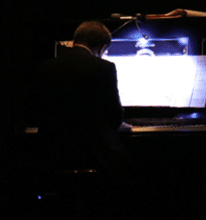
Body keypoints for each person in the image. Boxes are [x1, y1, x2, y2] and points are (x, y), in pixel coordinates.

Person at [27, 21, 132, 178]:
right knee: (132, 170)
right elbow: (115, 116)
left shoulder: (44, 68)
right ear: (102, 48)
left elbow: (35, 110)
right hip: (93, 154)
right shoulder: (104, 67)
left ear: (74, 41)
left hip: (51, 154)